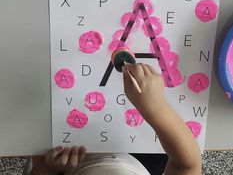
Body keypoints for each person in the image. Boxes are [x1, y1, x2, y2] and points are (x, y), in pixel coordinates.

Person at [30, 63, 201, 175]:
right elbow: (187, 165)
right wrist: (155, 107)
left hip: (71, 160)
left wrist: (47, 168)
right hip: (141, 161)